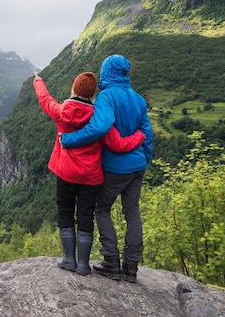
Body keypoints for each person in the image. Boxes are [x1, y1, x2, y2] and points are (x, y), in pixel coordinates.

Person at [33, 71, 145, 276]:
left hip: (66, 172)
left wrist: (38, 81)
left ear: (74, 89)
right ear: (93, 93)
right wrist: (139, 136)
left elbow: (45, 100)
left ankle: (69, 259)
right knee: (85, 215)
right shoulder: (98, 115)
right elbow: (116, 143)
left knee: (65, 211)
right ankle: (84, 264)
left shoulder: (62, 111)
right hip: (91, 176)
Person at [60, 55, 153, 283]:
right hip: (137, 167)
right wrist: (143, 161)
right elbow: (147, 135)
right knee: (132, 212)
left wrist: (69, 140)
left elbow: (100, 127)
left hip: (113, 168)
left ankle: (111, 262)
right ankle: (131, 268)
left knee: (102, 210)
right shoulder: (138, 99)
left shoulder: (106, 97)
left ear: (107, 71)